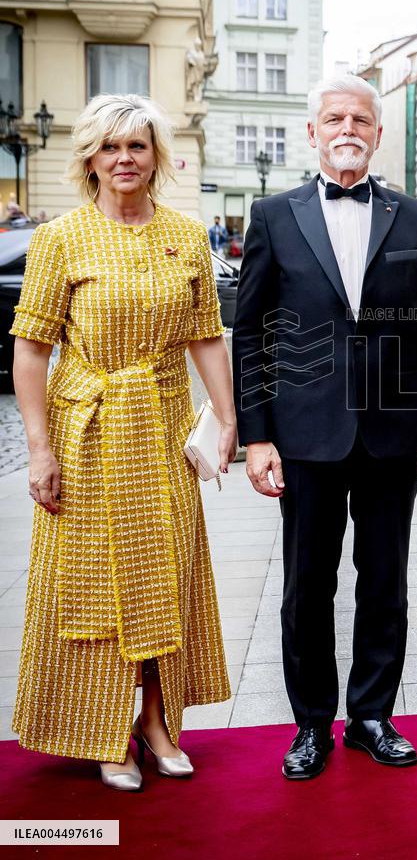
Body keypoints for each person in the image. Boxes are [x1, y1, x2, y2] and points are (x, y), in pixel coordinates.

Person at [233, 74, 417, 780]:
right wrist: (257, 434)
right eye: (333, 116)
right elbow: (252, 334)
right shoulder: (273, 215)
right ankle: (310, 725)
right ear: (312, 131)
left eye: (360, 118)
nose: (347, 128)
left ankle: (370, 715)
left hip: (393, 431)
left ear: (378, 132)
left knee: (385, 578)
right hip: (304, 433)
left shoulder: (414, 217)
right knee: (307, 585)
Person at [11, 94, 236, 791]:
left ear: (156, 156)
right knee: (96, 585)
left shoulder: (187, 234)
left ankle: (157, 722)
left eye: (137, 146)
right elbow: (30, 350)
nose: (124, 159)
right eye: (110, 147)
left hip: (164, 428)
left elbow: (205, 334)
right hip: (89, 432)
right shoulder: (60, 238)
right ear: (90, 157)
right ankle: (104, 731)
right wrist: (39, 449)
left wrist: (229, 422)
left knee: (164, 576)